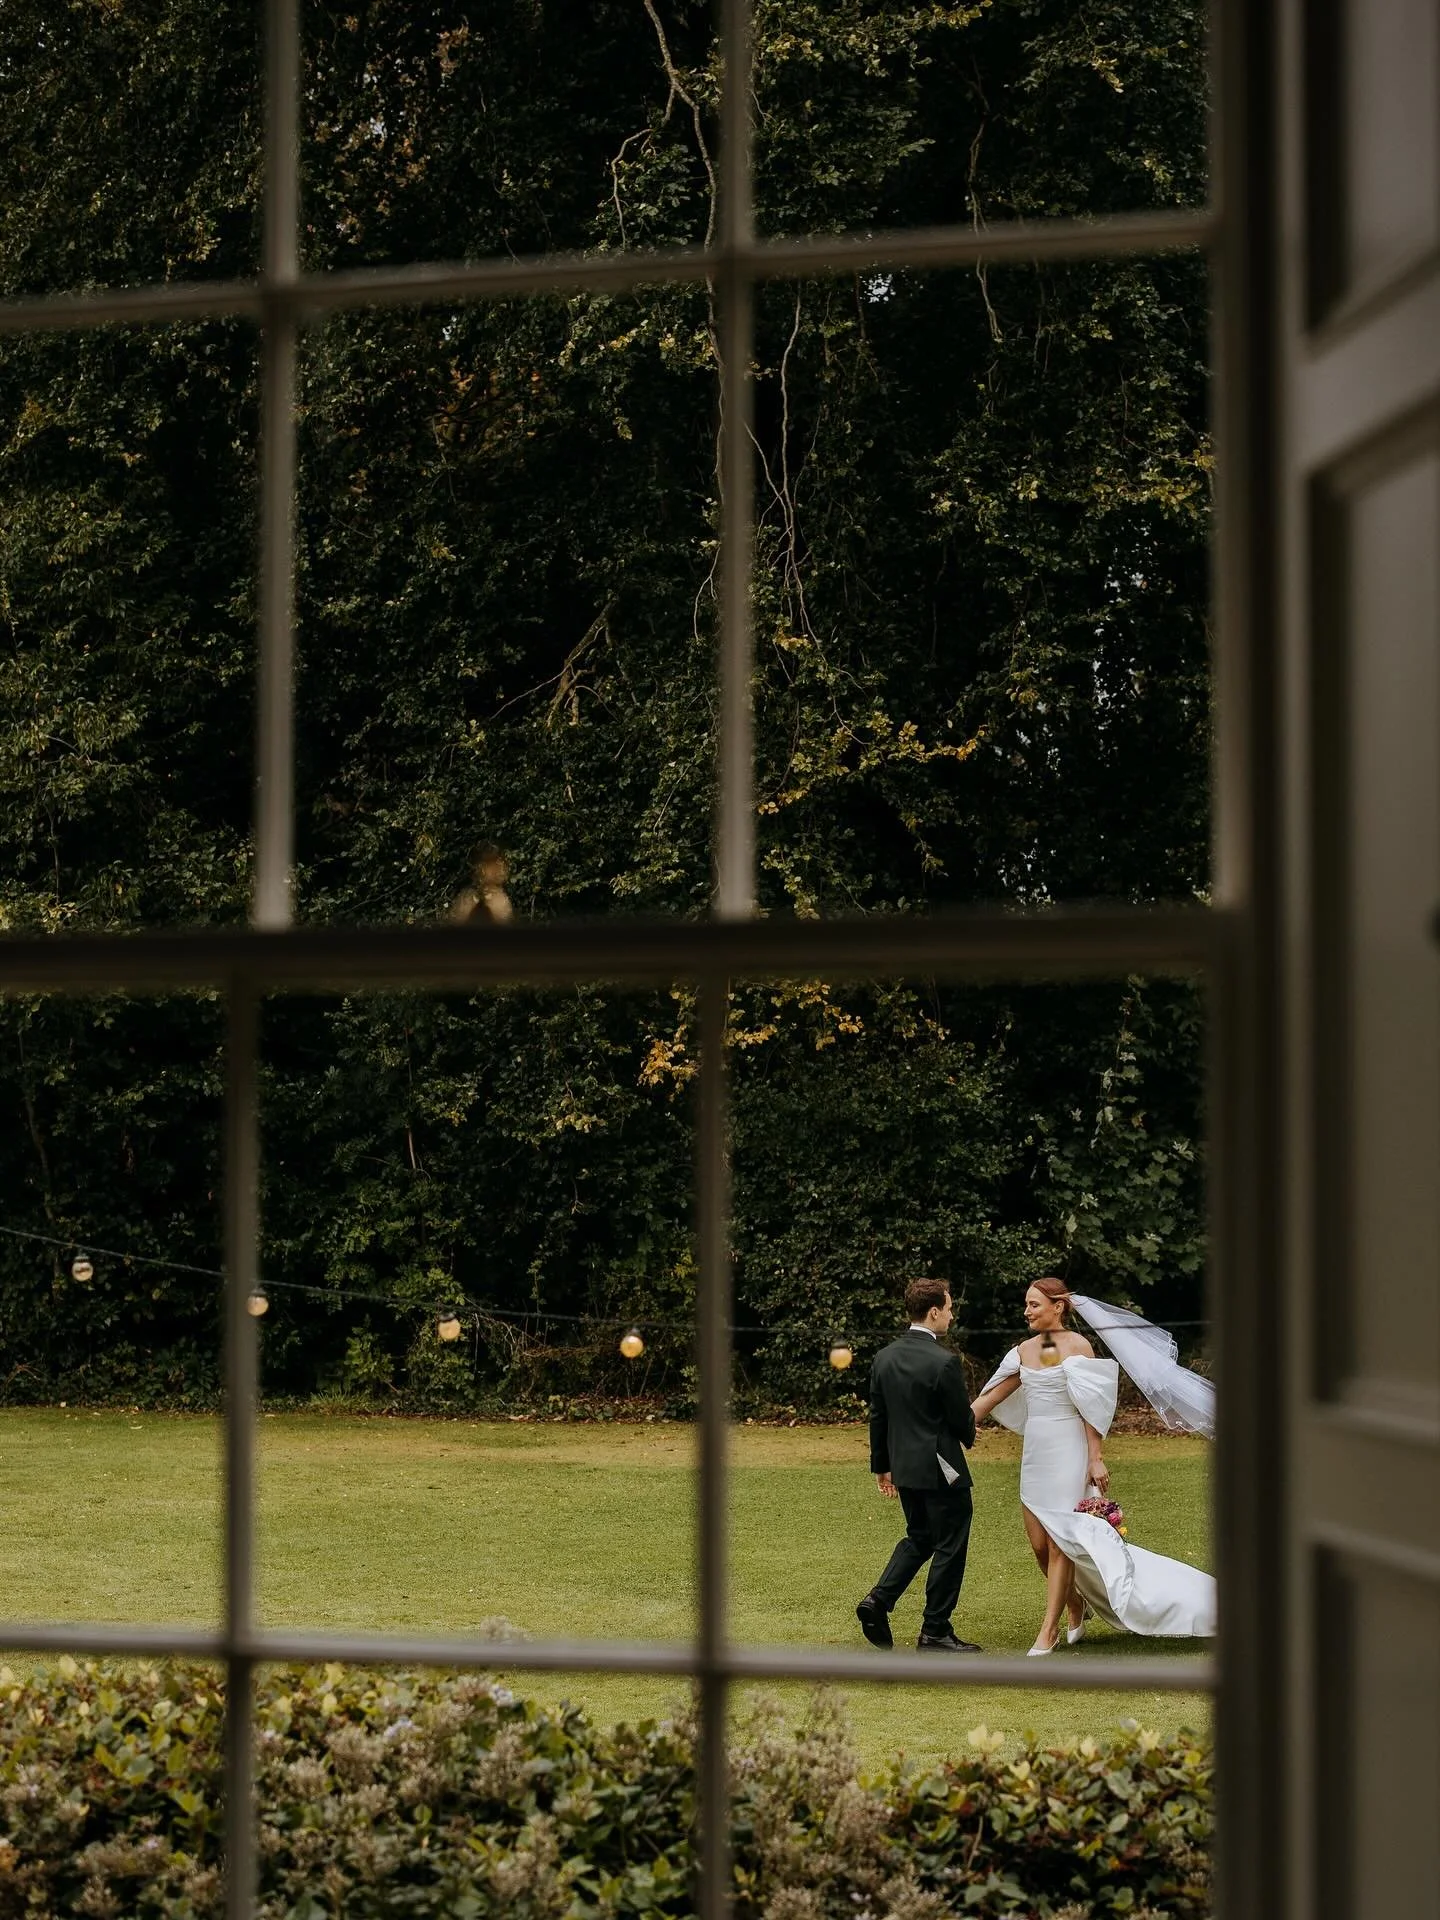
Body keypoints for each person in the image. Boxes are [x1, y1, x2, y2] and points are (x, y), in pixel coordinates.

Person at [970, 1276, 1216, 1655]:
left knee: (1060, 1544)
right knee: (1038, 1545)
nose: (1027, 1311)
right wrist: (950, 1425)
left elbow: (1092, 1406)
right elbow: (986, 1401)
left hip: (1070, 1451)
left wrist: (1095, 1457)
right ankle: (1074, 1603)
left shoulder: (1077, 1346)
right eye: (1026, 1304)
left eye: (1034, 1304)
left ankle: (1048, 1630)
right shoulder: (1022, 1351)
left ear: (1058, 1306)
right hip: (1037, 1455)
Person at [856, 1277, 980, 1653]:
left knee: (921, 1537)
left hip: (905, 1469)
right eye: (949, 1307)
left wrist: (882, 1465)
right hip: (942, 1468)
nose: (952, 1314)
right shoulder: (944, 1362)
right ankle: (935, 1631)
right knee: (950, 1544)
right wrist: (971, 1432)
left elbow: (878, 1417)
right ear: (933, 1312)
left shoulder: (884, 1357)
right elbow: (961, 1420)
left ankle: (877, 1600)